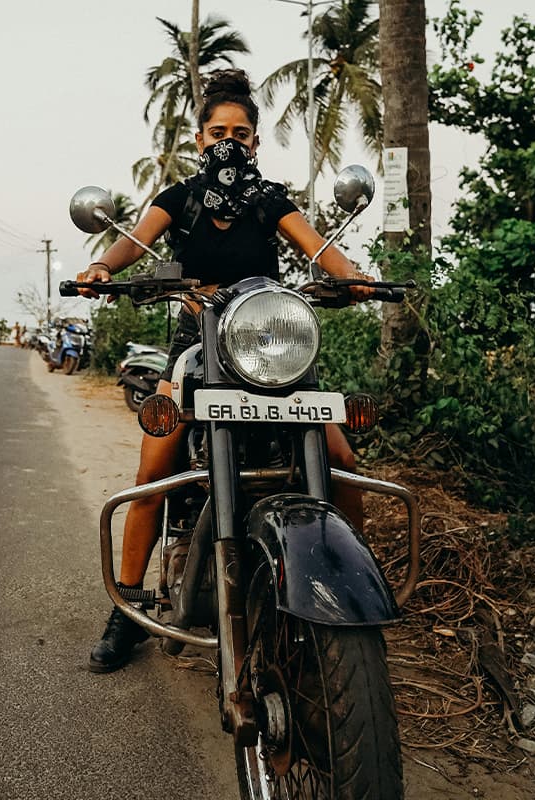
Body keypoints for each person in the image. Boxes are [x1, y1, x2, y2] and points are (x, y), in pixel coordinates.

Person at [75, 69, 375, 673]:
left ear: (257, 142)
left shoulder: (269, 200)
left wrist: (354, 276)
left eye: (241, 132)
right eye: (218, 132)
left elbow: (316, 246)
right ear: (199, 139)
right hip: (198, 337)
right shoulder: (178, 198)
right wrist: (104, 267)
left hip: (266, 340)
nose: (229, 142)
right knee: (156, 466)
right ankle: (127, 605)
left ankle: (353, 582)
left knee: (341, 455)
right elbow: (133, 241)